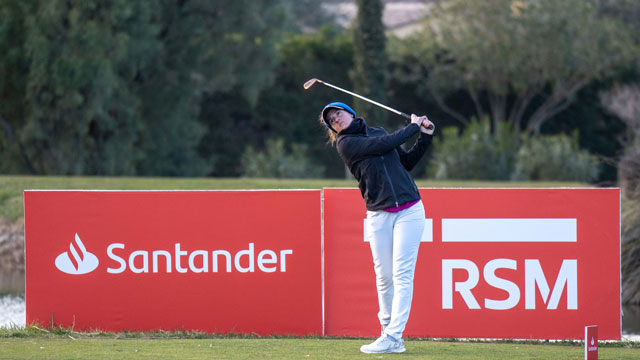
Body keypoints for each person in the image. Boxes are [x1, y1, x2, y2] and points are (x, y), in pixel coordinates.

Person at [320, 102, 434, 354]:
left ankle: (394, 336)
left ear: (350, 112)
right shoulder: (346, 145)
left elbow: (407, 162)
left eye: (337, 113)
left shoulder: (379, 131)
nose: (335, 119)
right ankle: (386, 331)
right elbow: (380, 147)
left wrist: (424, 136)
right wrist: (413, 126)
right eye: (331, 120)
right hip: (379, 214)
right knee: (384, 277)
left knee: (402, 274)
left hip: (410, 209)